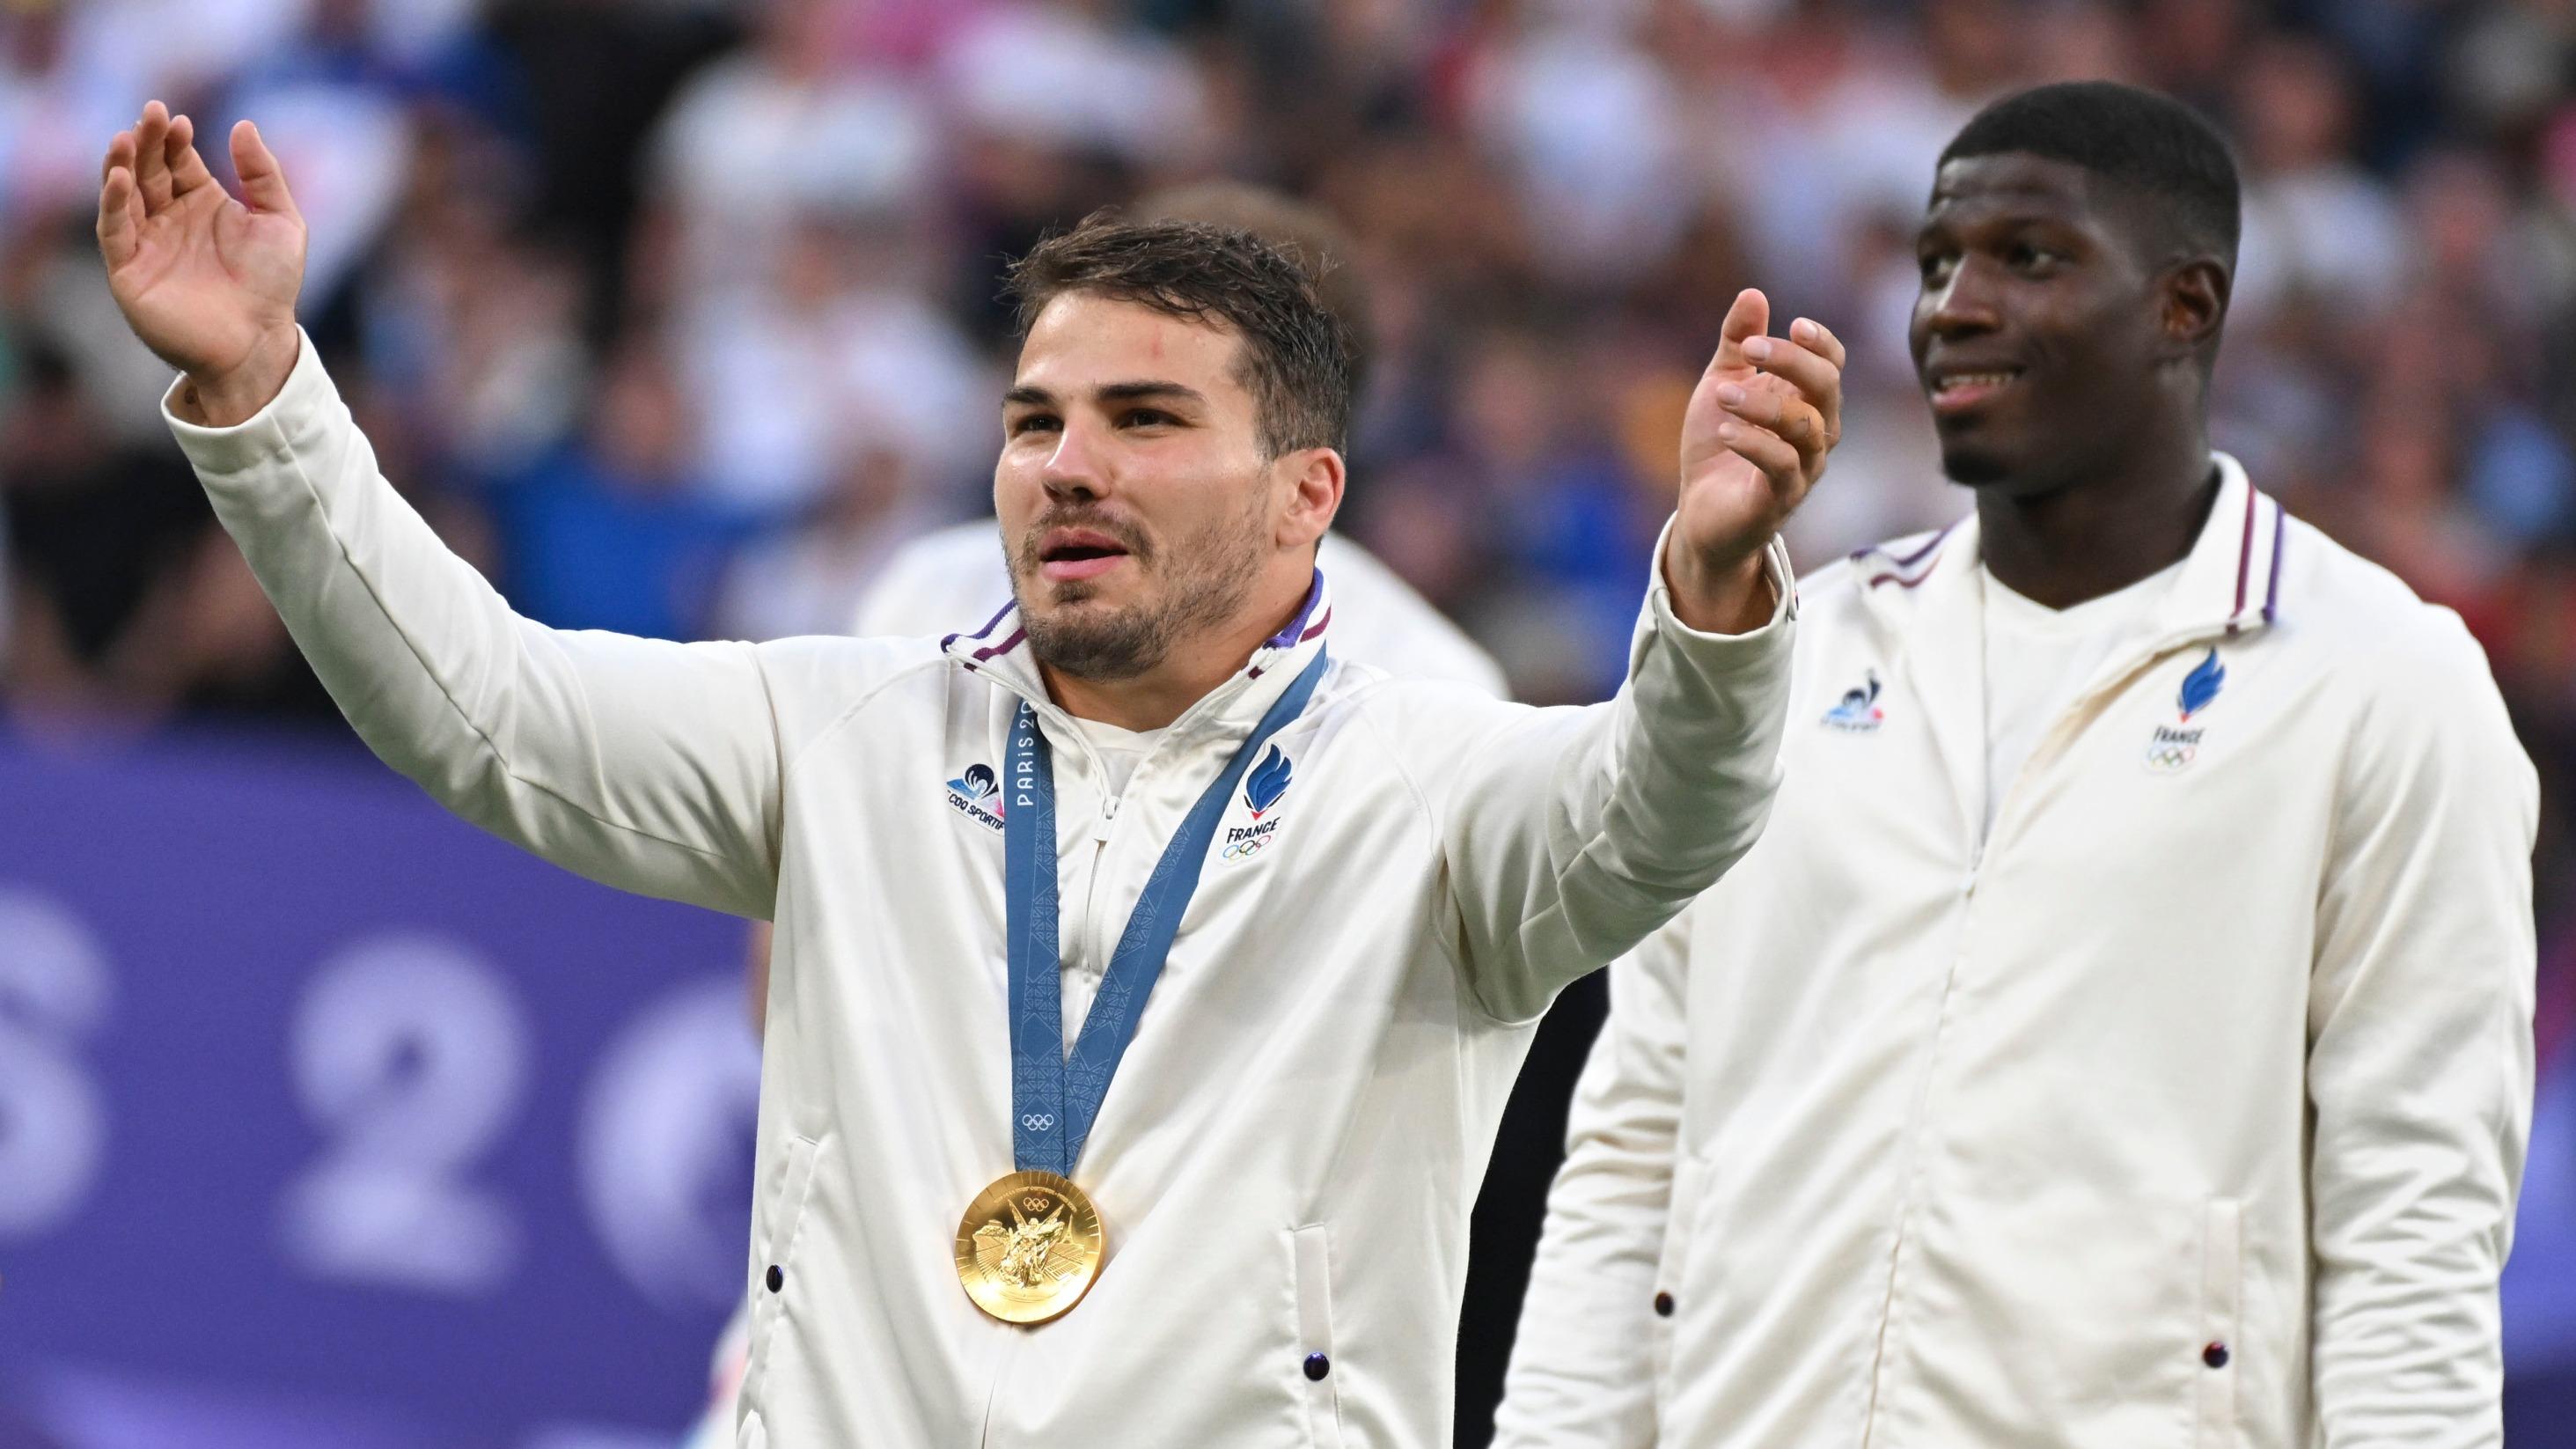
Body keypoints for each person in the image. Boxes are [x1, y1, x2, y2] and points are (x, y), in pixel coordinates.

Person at [98, 100, 1843, 1445]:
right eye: (1034, 421)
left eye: (1145, 420)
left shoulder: (1442, 773)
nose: (1067, 466)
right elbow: (486, 713)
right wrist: (267, 397)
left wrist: (1707, 592)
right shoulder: (842, 722)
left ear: (1308, 492)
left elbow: (1661, 812)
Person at [1497, 80, 2536, 1449]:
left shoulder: (2382, 680)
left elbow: (2416, 1216)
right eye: (1938, 263)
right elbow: (1634, 1149)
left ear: (2188, 305)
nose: (1952, 307)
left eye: (2028, 259)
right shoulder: (1795, 659)